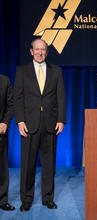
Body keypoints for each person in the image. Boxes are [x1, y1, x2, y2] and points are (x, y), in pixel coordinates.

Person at [14, 38, 66, 212]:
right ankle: (26, 199)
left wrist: (61, 119)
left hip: (50, 124)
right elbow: (18, 98)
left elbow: (61, 97)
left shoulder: (56, 71)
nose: (40, 52)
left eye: (43, 49)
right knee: (27, 164)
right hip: (29, 125)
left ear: (47, 52)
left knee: (49, 163)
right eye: (37, 49)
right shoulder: (22, 71)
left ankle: (48, 198)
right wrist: (20, 121)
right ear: (31, 51)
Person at [0, 74, 14, 211]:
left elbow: (11, 104)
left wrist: (5, 122)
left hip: (0, 131)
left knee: (2, 168)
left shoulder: (5, 81)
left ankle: (2, 200)